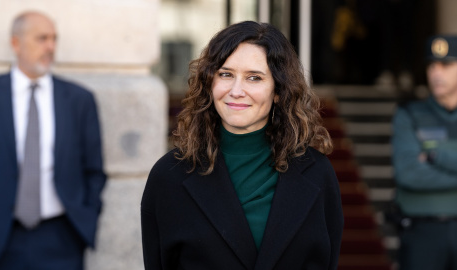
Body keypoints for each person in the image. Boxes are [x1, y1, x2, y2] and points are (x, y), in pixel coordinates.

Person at [141, 21, 343, 270]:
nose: (236, 91)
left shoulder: (317, 173)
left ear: (278, 91)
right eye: (226, 74)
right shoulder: (169, 175)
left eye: (254, 78)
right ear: (209, 82)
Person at [0, 11, 106, 270]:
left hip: (63, 237)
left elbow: (94, 170)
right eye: (41, 38)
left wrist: (85, 215)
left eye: (54, 39)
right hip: (4, 236)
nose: (50, 47)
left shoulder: (79, 100)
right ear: (16, 43)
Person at [392, 34, 457, 270]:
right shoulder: (409, 115)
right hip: (422, 235)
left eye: (446, 65)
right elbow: (409, 173)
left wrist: (435, 156)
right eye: (432, 65)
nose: (436, 73)